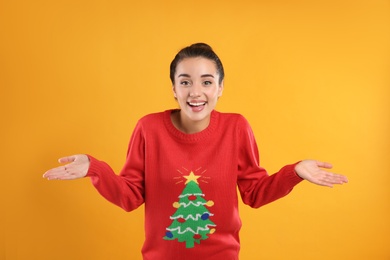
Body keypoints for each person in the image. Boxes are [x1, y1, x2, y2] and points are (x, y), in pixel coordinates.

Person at [43, 43, 348, 260]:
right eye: (185, 82)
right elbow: (130, 196)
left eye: (206, 81)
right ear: (174, 88)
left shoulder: (236, 127)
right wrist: (94, 168)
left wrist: (294, 172)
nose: (196, 92)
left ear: (220, 87)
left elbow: (255, 193)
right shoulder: (149, 128)